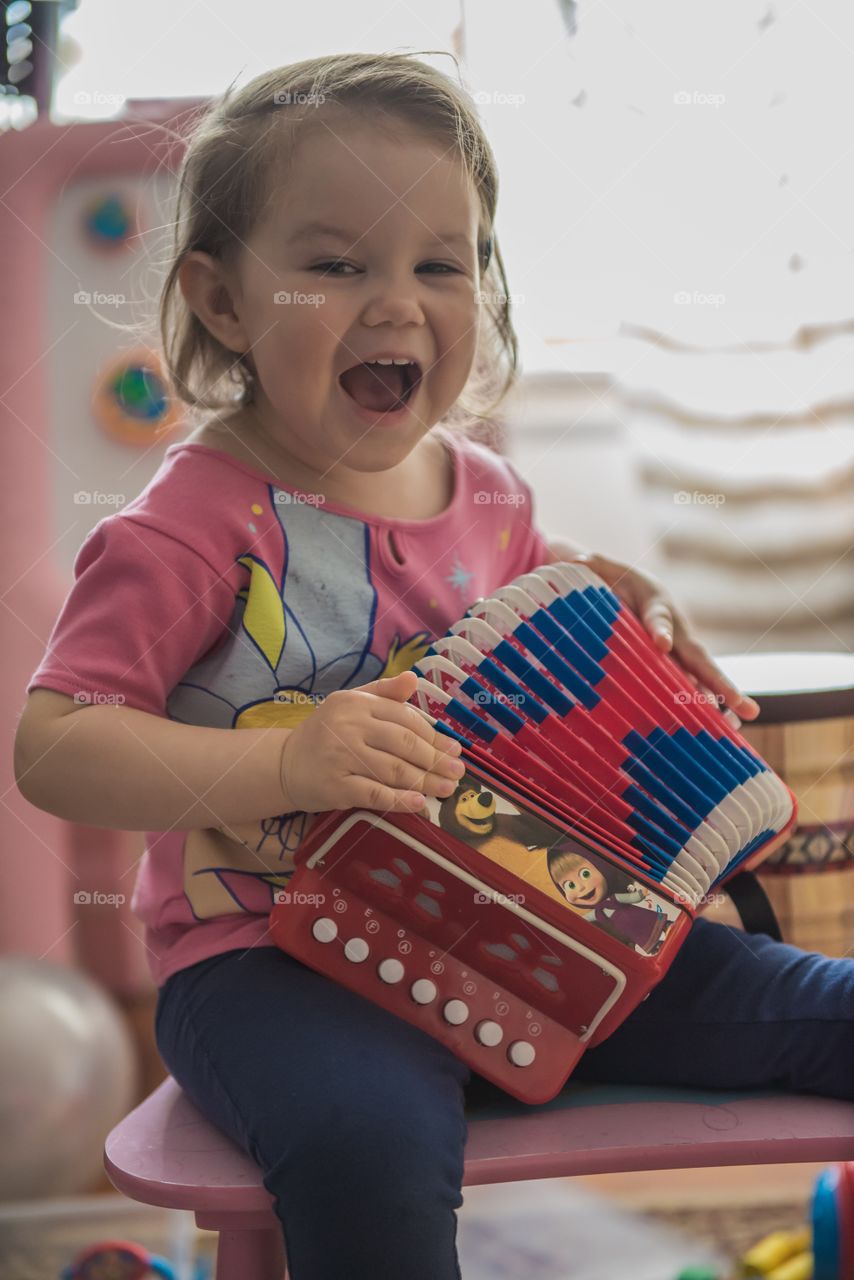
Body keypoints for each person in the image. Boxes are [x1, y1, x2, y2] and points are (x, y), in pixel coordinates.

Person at [15, 51, 853, 1280]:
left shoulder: (494, 493)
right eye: (334, 263)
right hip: (270, 964)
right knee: (367, 1145)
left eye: (438, 263)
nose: (396, 300)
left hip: (534, 923)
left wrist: (619, 597)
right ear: (222, 300)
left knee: (823, 1008)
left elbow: (513, 624)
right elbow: (56, 741)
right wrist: (284, 760)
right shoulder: (192, 526)